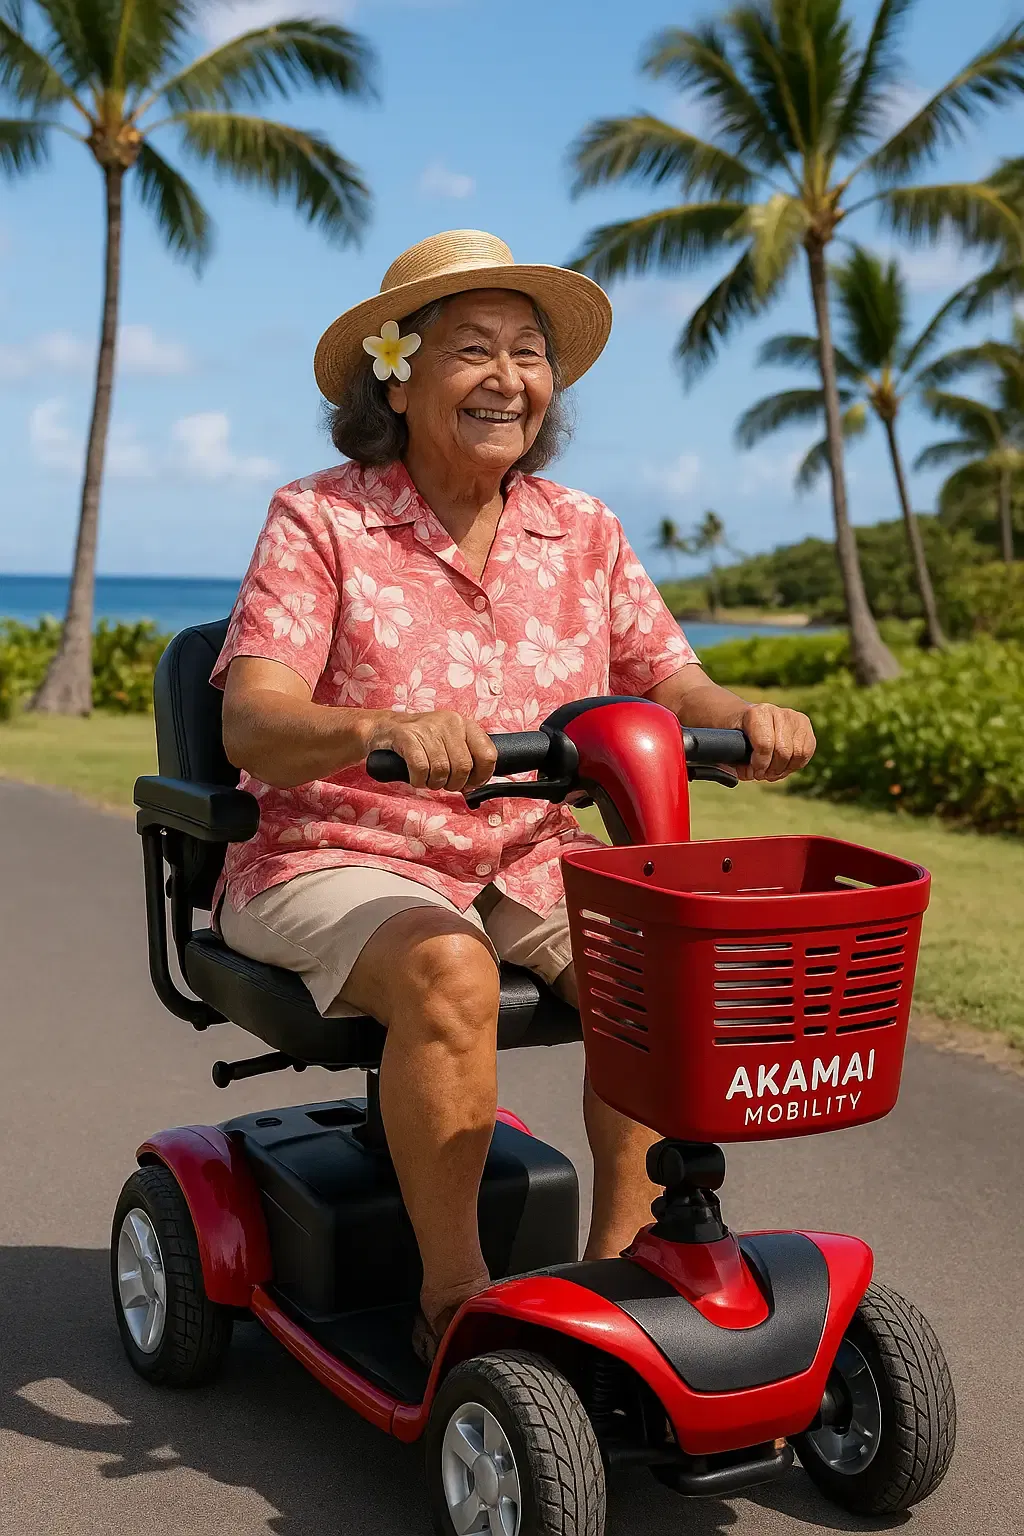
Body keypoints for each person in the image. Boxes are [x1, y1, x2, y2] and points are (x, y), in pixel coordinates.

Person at [212, 229, 816, 1361]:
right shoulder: (321, 518)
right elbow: (254, 719)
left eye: (528, 352)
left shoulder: (579, 528)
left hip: (526, 852)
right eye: (473, 349)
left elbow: (672, 679)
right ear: (399, 373)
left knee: (653, 965)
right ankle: (456, 1305)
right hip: (337, 852)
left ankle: (627, 1276)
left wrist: (746, 713)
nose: (508, 379)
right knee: (450, 968)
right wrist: (379, 727)